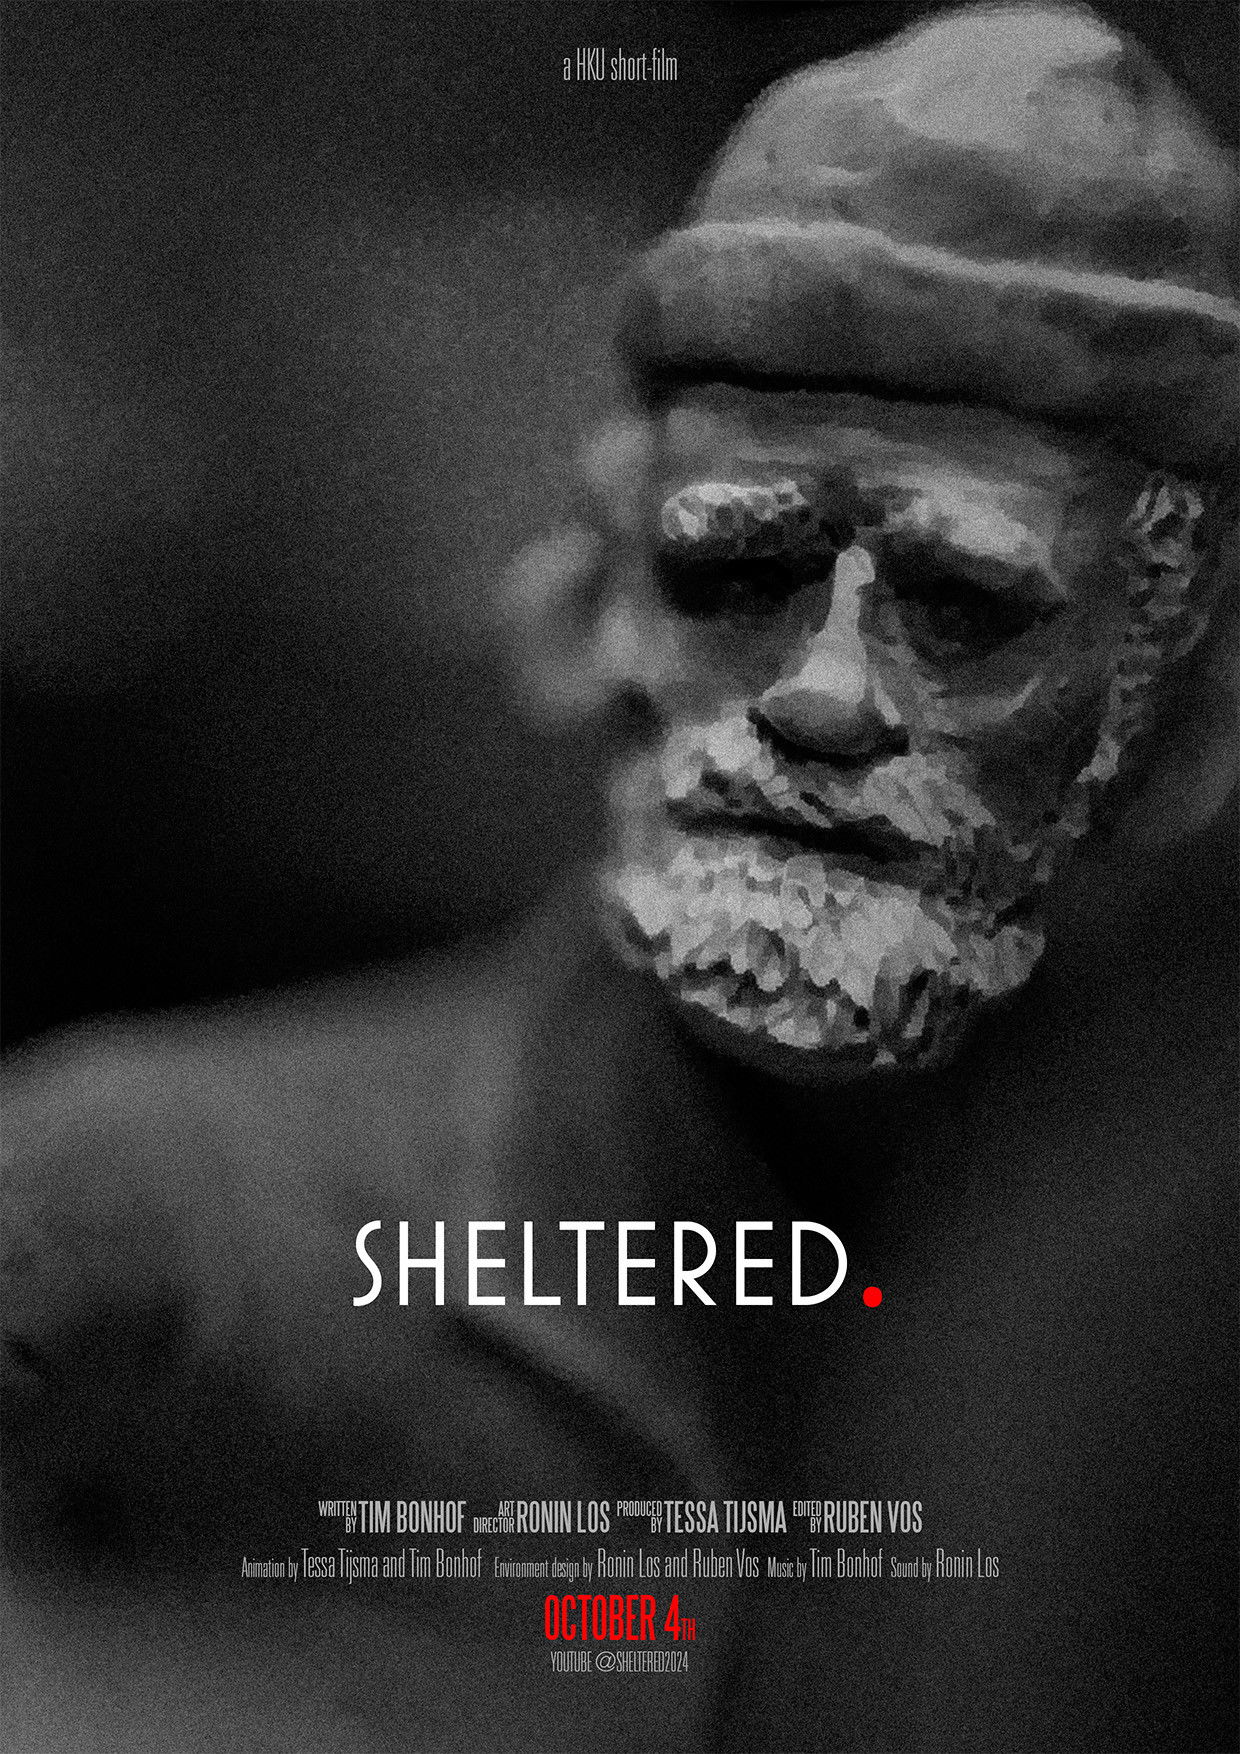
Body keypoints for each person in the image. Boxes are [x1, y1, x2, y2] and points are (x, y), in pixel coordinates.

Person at [3, 5, 1236, 1750]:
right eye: (737, 575)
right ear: (587, 614)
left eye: (966, 611)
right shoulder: (133, 1229)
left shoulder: (1163, 1336)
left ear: (1190, 721)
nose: (822, 697)